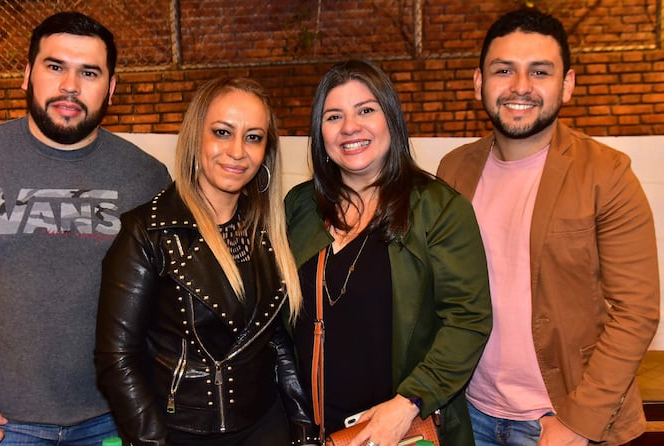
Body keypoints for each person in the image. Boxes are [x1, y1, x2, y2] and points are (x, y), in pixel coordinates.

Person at [0, 11, 170, 445]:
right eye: (55, 66)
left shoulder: (147, 177)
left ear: (111, 88)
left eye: (90, 72)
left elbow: (170, 302)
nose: (70, 86)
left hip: (114, 423)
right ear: (27, 74)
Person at [436, 8, 660, 446]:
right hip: (469, 411)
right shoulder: (453, 171)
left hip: (561, 419)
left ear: (567, 85)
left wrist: (578, 422)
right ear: (479, 82)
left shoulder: (607, 174)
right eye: (504, 70)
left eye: (539, 71)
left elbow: (637, 311)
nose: (520, 86)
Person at [94, 76, 317, 446]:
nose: (237, 151)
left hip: (265, 425)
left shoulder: (267, 229)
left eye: (253, 137)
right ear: (197, 137)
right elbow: (117, 359)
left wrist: (303, 425)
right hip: (181, 432)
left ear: (267, 152)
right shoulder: (147, 231)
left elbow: (274, 339)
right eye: (222, 132)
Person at [285, 59, 493, 446]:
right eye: (334, 116)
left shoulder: (438, 209)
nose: (350, 127)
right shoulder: (299, 207)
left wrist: (409, 402)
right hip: (315, 430)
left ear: (391, 120)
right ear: (320, 134)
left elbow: (468, 321)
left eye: (366, 110)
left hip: (404, 428)